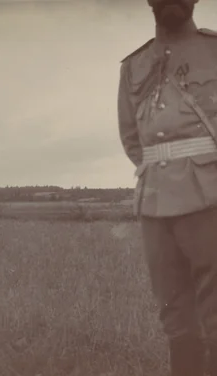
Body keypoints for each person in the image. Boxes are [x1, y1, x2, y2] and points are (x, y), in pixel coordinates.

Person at [118, 1, 217, 374]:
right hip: (157, 203)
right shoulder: (134, 66)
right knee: (175, 316)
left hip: (210, 196)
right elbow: (132, 138)